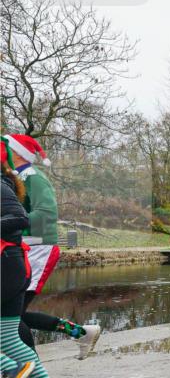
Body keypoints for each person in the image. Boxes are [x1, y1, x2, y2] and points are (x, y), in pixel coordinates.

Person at [2, 134, 101, 361]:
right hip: (21, 249)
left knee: (11, 317)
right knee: (11, 316)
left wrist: (13, 224)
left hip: (39, 249)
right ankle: (81, 333)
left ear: (15, 152)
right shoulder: (14, 177)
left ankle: (28, 368)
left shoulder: (34, 177)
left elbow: (47, 213)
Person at [1, 144, 67, 378]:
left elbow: (20, 217)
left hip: (9, 265)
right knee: (8, 336)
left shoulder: (2, 185)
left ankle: (10, 368)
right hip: (12, 265)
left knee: (12, 333)